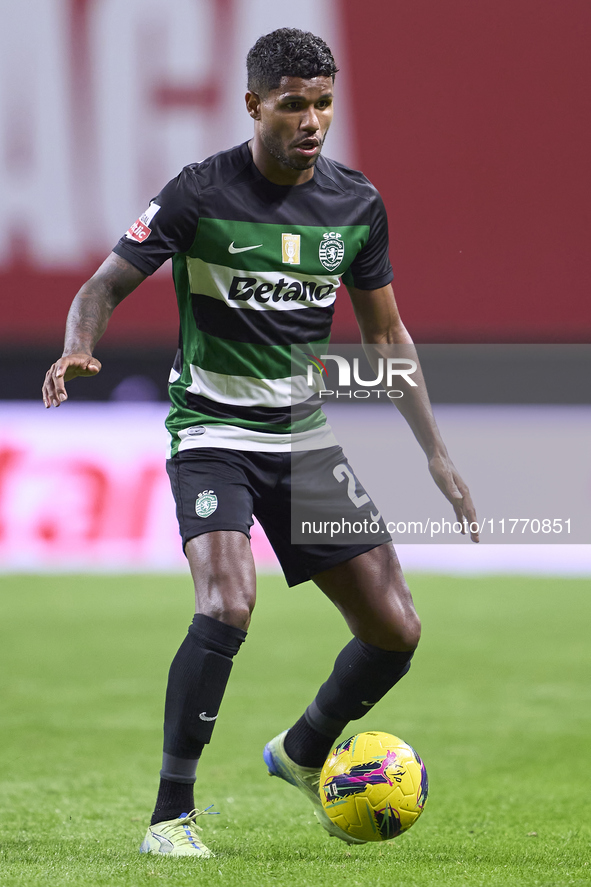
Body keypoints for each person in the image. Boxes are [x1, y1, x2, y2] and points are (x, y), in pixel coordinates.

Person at [43, 28, 478, 858]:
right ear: (253, 105)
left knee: (396, 631)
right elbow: (102, 284)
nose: (311, 120)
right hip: (211, 431)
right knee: (226, 602)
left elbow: (386, 339)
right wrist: (78, 343)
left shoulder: (355, 204)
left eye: (322, 103)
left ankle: (303, 749)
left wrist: (436, 452)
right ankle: (171, 816)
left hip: (300, 437)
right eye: (291, 105)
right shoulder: (199, 193)